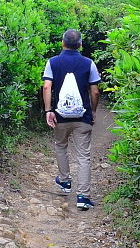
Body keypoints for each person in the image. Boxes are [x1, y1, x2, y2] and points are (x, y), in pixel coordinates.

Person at [41, 29, 101, 210]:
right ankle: (83, 196)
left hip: (61, 115)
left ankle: (65, 181)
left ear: (62, 43)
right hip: (82, 117)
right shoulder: (88, 63)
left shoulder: (52, 62)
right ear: (81, 44)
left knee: (61, 146)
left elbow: (46, 87)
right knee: (84, 155)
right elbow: (95, 91)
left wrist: (48, 110)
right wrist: (93, 111)